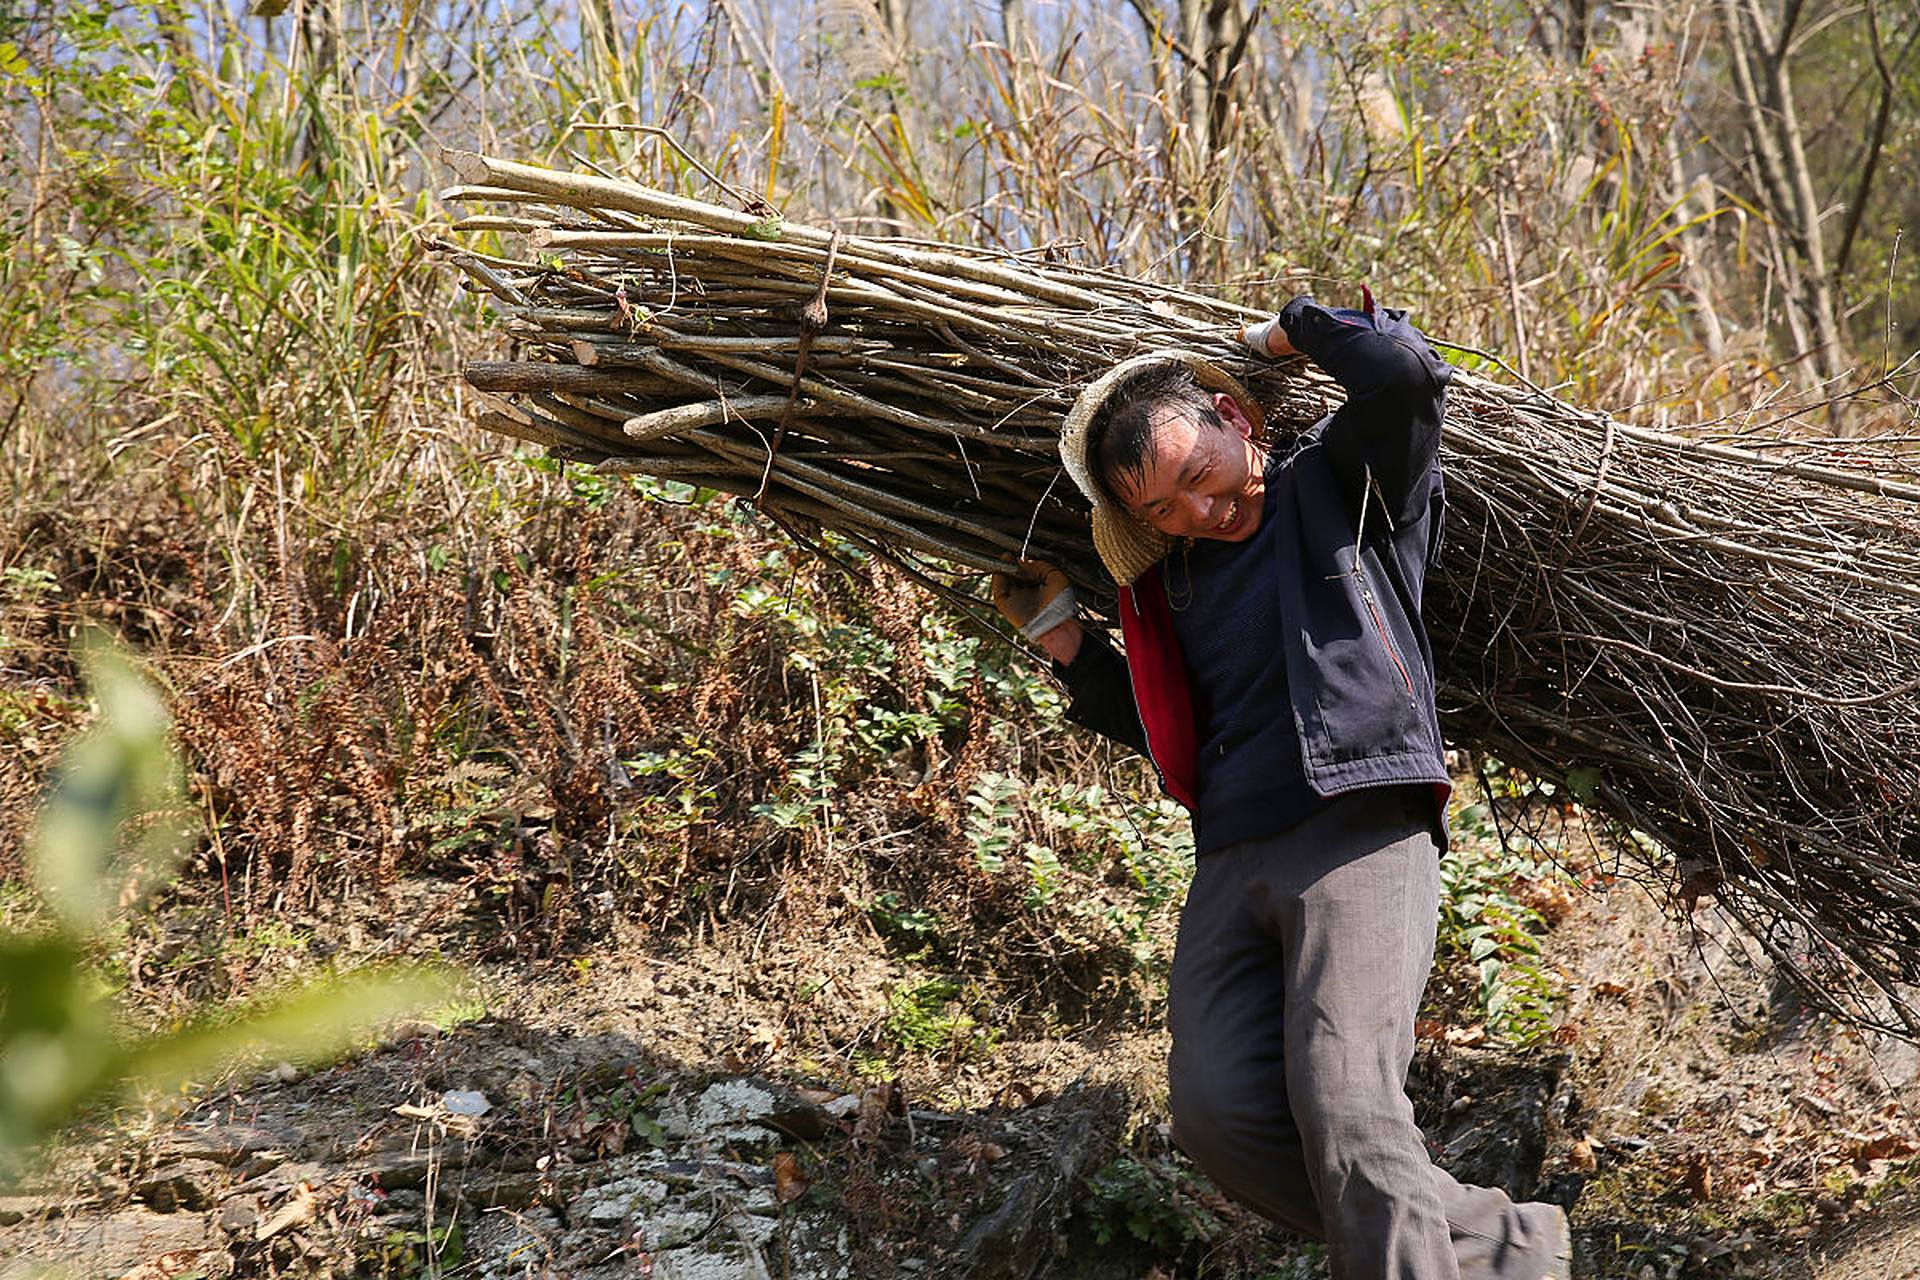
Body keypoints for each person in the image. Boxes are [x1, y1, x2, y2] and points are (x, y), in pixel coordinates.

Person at [992, 292, 1573, 1280]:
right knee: (1217, 1117)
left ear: (1235, 419)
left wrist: (1290, 330)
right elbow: (1170, 722)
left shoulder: (1342, 488)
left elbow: (1404, 372)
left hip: (1359, 824)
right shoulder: (1174, 584)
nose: (1198, 512)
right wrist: (1068, 646)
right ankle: (1505, 1245)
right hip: (1233, 853)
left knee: (1348, 1102)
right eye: (1161, 510)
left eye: (1198, 474)